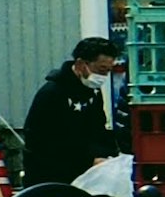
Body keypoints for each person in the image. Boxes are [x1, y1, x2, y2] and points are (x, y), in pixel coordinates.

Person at [22, 34, 129, 188]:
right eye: (101, 70)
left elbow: (98, 128)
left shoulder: (93, 92)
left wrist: (106, 154)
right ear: (80, 64)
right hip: (50, 176)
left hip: (86, 173)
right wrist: (87, 160)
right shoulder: (52, 93)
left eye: (108, 71)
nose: (103, 76)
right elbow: (43, 140)